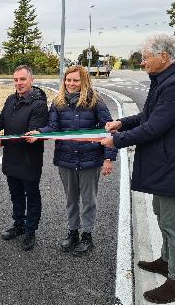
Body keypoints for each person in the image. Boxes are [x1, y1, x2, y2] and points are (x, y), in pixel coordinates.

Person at [100, 34, 175, 304]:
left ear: (164, 56)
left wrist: (117, 141)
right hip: (166, 162)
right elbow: (147, 116)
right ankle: (166, 260)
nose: (143, 61)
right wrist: (121, 123)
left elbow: (155, 127)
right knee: (161, 212)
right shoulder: (166, 80)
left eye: (146, 56)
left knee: (174, 223)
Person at [26, 65, 117, 256]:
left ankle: (87, 235)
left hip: (90, 159)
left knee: (89, 200)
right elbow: (53, 126)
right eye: (68, 80)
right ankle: (73, 231)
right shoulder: (58, 102)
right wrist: (39, 132)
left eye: (76, 80)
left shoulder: (95, 101)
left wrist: (109, 158)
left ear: (84, 81)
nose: (71, 83)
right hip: (66, 158)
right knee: (71, 199)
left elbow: (108, 130)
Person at [0, 65, 48, 251]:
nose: (18, 83)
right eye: (16, 80)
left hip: (29, 159)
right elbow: (2, 119)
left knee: (32, 196)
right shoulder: (11, 99)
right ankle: (18, 224)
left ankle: (30, 230)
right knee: (16, 194)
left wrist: (2, 142)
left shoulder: (39, 105)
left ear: (31, 80)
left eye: (22, 79)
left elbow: (29, 136)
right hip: (12, 159)